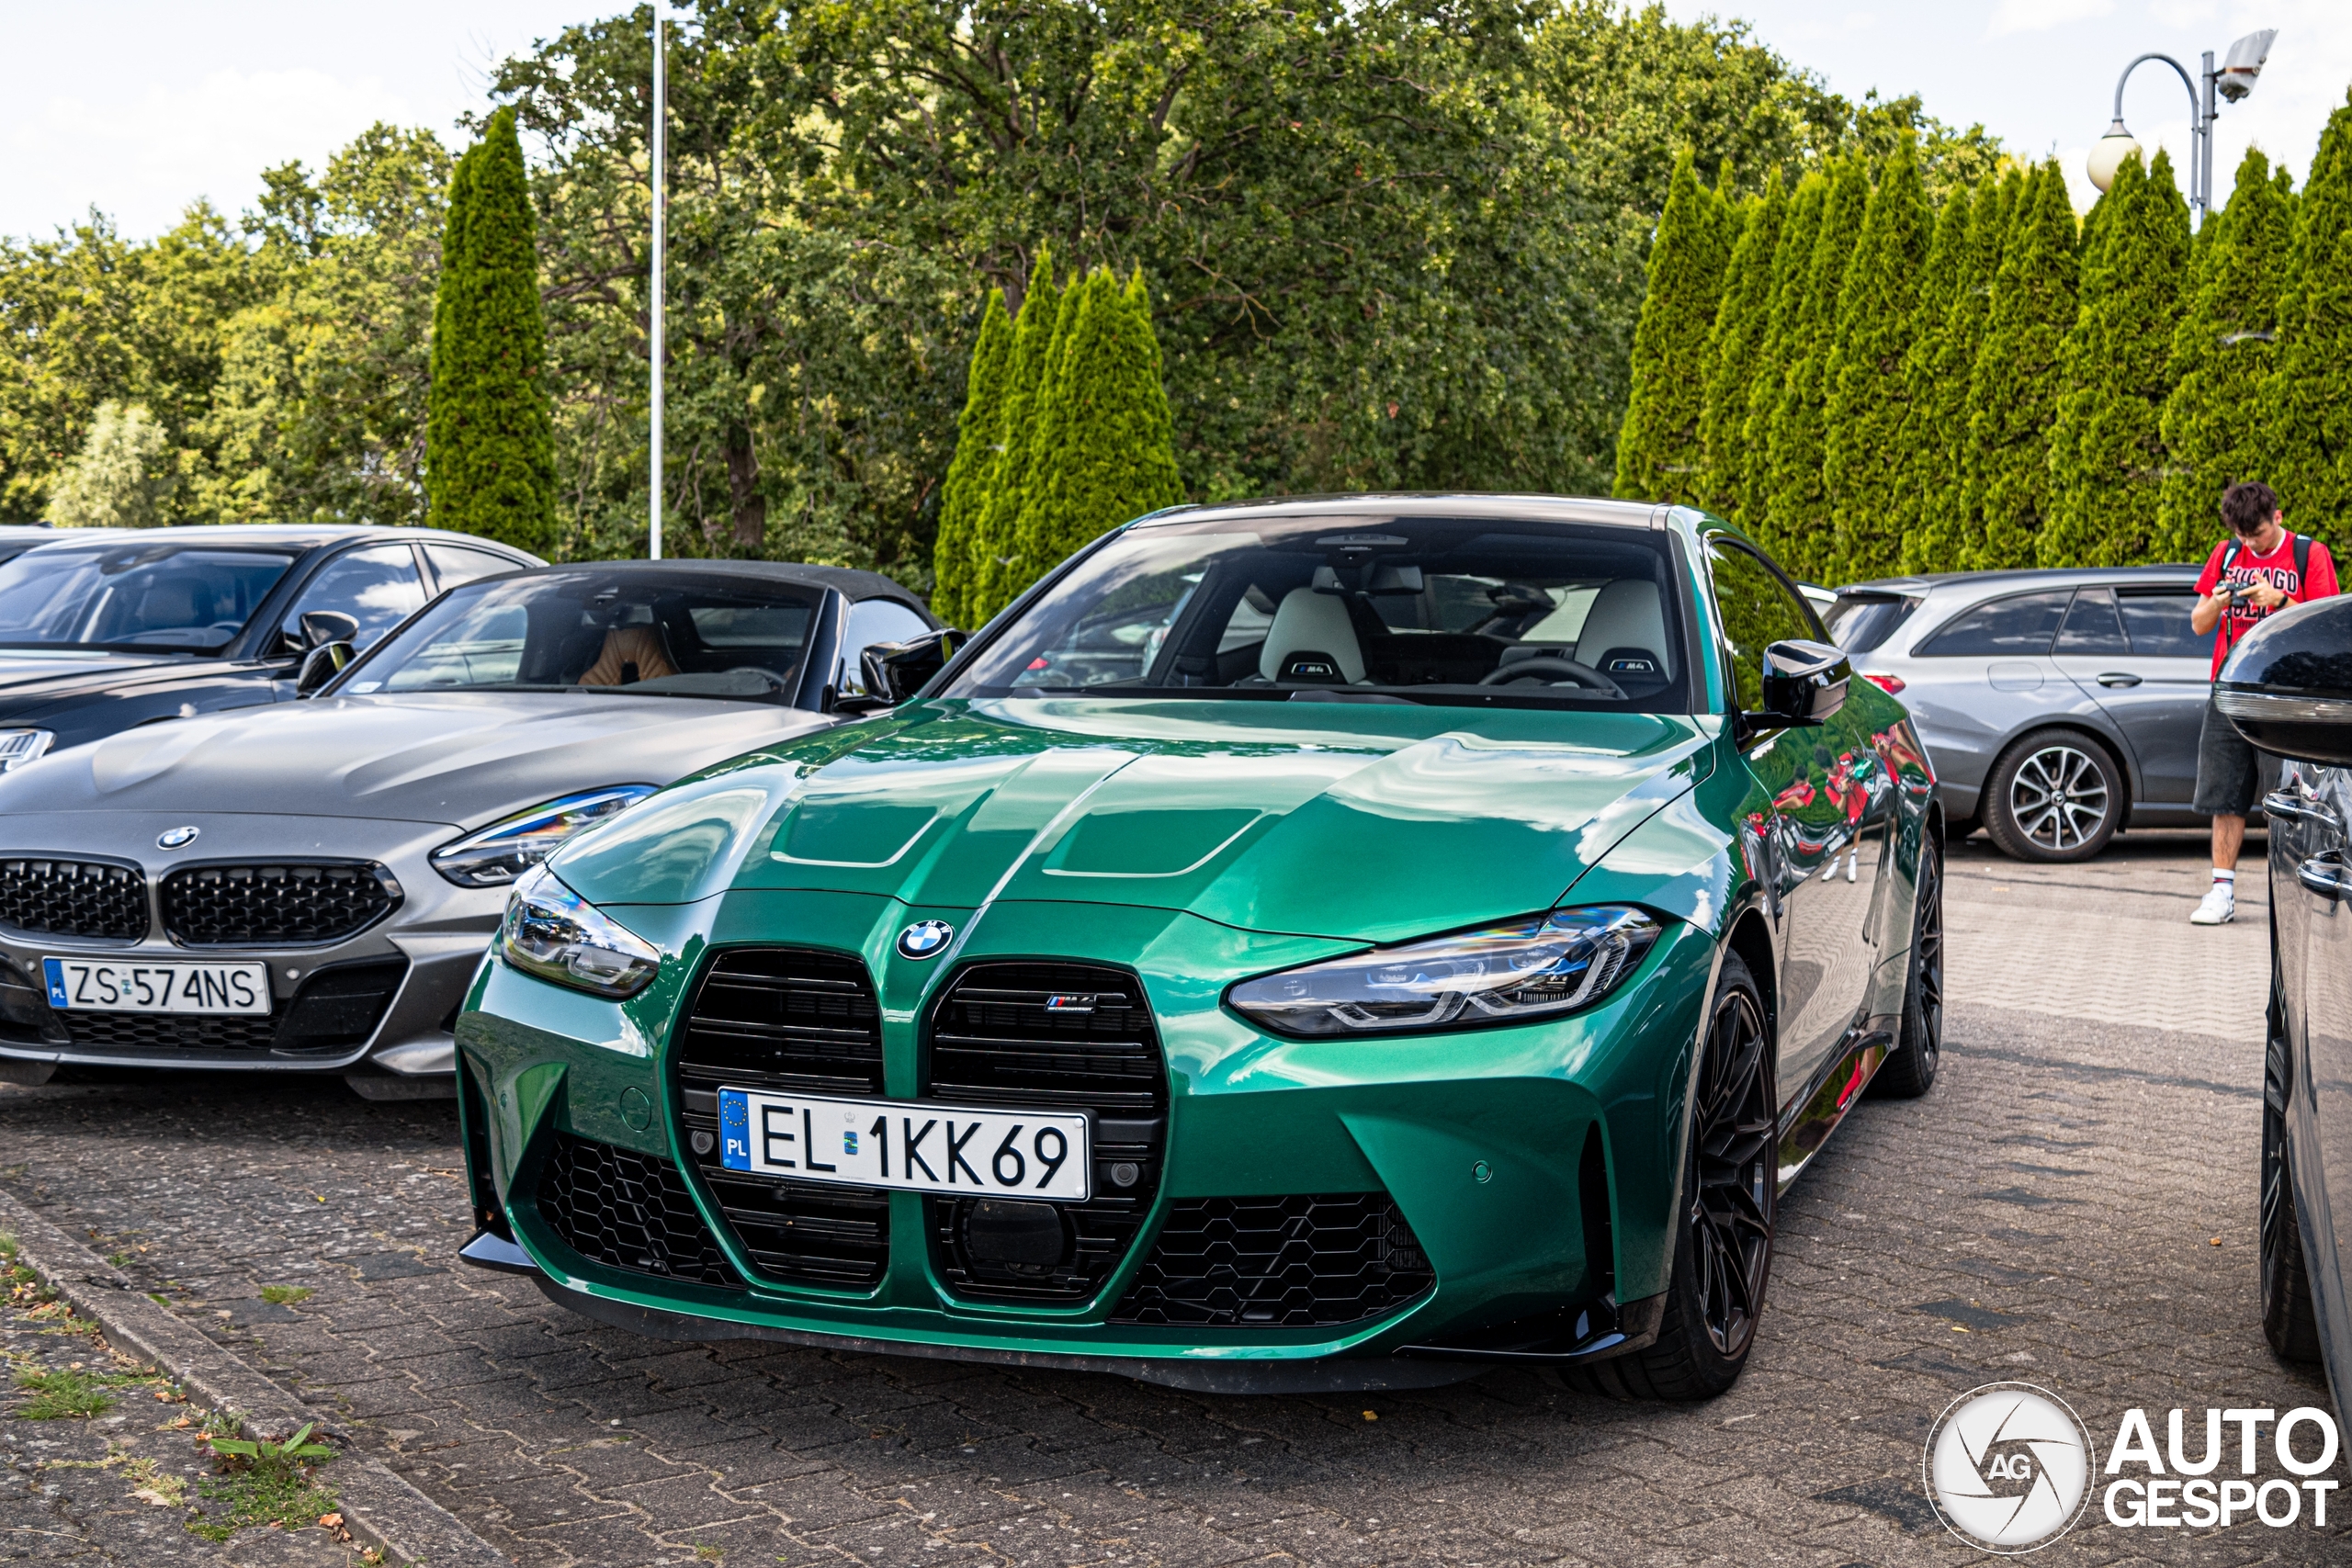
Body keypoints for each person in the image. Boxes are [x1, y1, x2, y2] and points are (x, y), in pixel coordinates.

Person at [2186, 480, 2338, 924]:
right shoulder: (2227, 554)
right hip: (2231, 690)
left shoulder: (2310, 555)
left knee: (2293, 797)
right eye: (2244, 537)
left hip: (2287, 696)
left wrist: (2282, 600)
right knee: (2224, 794)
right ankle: (2221, 892)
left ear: (2278, 517)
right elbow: (2198, 624)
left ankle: (2300, 895)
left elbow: (2326, 627)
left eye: (2259, 535)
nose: (2251, 544)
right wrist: (2217, 602)